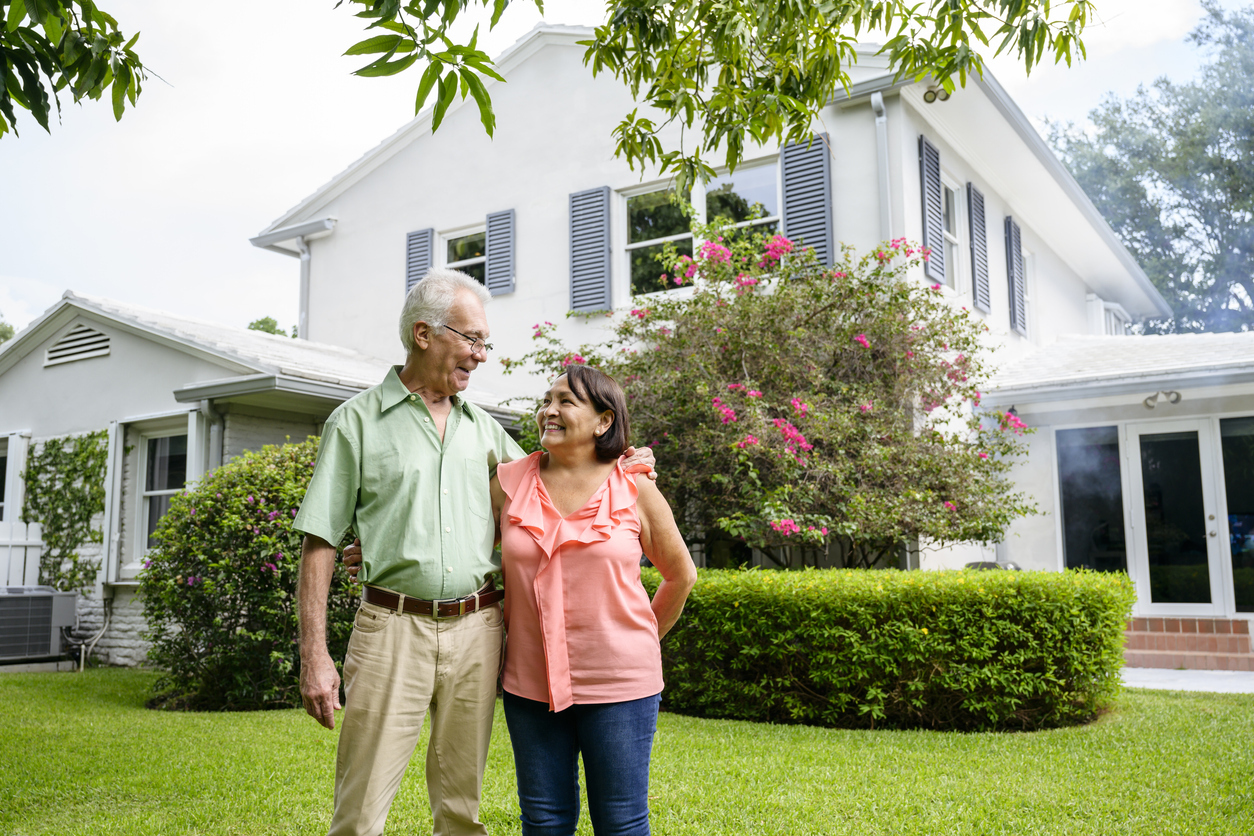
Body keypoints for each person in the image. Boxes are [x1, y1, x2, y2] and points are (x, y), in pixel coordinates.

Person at [293, 268, 653, 836]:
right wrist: (314, 654)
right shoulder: (355, 423)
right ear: (424, 335)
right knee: (360, 813)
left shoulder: (486, 431)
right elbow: (319, 542)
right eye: (472, 339)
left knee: (463, 811)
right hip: (392, 628)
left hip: (479, 632)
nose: (482, 355)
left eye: (486, 342)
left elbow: (559, 477)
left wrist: (622, 463)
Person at [494, 365, 695, 836]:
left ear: (604, 420)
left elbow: (680, 575)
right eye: (548, 399)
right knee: (543, 820)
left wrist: (642, 639)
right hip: (530, 686)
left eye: (566, 401)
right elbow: (454, 546)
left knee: (621, 823)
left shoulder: (635, 487)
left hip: (622, 688)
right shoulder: (507, 484)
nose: (549, 410)